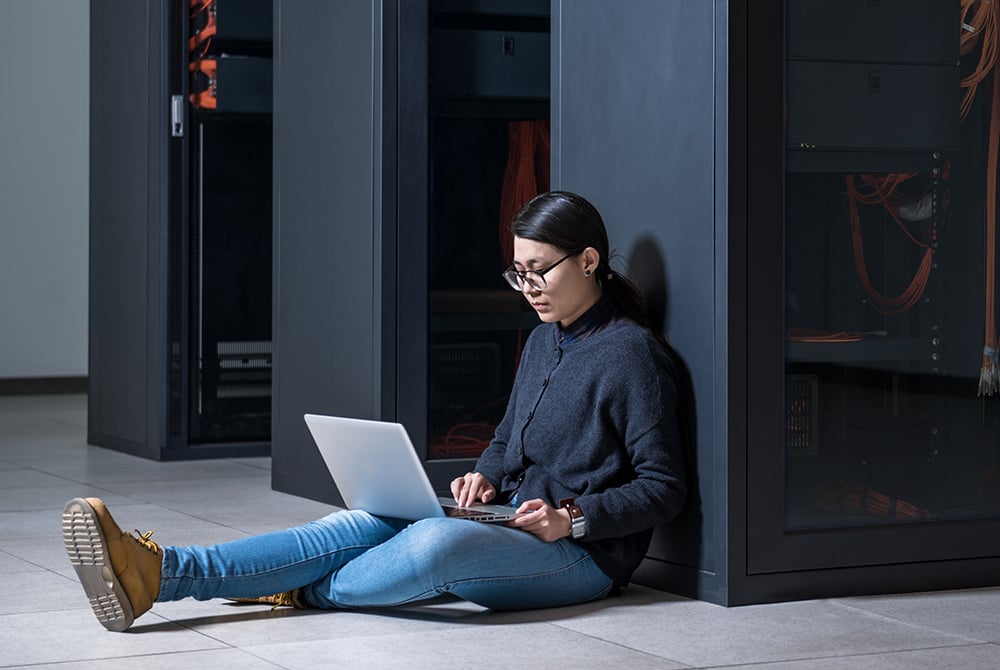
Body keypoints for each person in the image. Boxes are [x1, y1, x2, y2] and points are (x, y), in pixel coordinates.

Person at [63, 190, 688, 632]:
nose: (528, 288)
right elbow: (506, 440)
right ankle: (162, 571)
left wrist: (572, 518)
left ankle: (292, 587)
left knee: (434, 543)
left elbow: (663, 488)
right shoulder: (545, 338)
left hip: (579, 557)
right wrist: (486, 473)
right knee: (357, 523)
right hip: (508, 522)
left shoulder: (632, 355)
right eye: (517, 273)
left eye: (538, 271)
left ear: (588, 260)